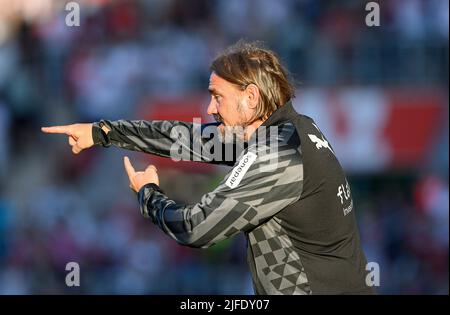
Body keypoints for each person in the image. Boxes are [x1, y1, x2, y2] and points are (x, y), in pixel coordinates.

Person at [41, 41, 375, 295]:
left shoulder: (276, 154)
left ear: (251, 98)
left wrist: (148, 196)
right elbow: (185, 139)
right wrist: (104, 132)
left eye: (217, 96)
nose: (209, 108)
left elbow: (197, 228)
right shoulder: (290, 130)